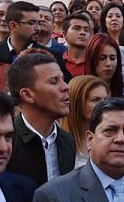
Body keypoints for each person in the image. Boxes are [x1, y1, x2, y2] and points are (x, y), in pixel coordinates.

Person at [6, 53, 75, 187]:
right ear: (27, 95)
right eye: (54, 81)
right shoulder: (6, 142)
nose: (66, 87)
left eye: (63, 79)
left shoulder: (68, 142)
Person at [0, 0, 70, 90]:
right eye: (31, 23)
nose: (38, 28)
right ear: (13, 26)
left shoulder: (52, 56)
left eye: (38, 23)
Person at [64, 75, 108, 169]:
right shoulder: (59, 142)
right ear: (77, 104)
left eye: (106, 100)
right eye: (96, 100)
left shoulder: (108, 139)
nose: (104, 105)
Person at [85, 33, 124, 97]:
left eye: (112, 58)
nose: (108, 64)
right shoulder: (81, 93)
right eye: (102, 58)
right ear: (91, 60)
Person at [61, 11, 94, 78]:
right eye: (77, 28)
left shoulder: (96, 61)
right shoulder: (58, 61)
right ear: (64, 34)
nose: (83, 32)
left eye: (86, 30)